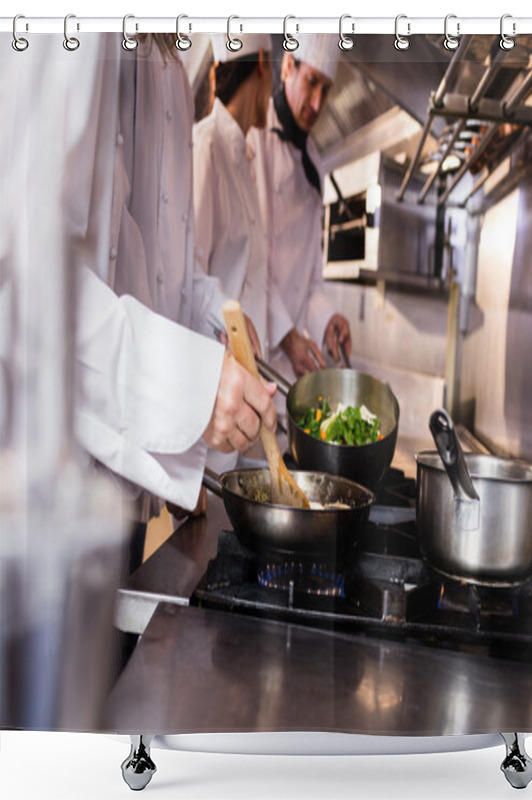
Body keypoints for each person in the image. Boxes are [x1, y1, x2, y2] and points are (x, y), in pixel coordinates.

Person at [0, 33, 277, 573]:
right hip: (39, 486)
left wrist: (220, 315)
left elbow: (158, 261)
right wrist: (192, 393)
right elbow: (28, 289)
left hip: (124, 476)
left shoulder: (166, 65)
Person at [248, 34, 352, 386]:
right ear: (288, 66)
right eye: (312, 83)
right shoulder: (253, 138)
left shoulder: (315, 168)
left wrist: (328, 320)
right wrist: (288, 335)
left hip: (291, 375)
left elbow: (310, 283)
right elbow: (250, 262)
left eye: (327, 89)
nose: (318, 102)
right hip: (254, 357)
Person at [192, 34, 274, 359]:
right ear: (261, 64)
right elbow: (190, 276)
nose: (271, 96)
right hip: (217, 374)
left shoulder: (244, 156)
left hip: (246, 374)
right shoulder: (206, 146)